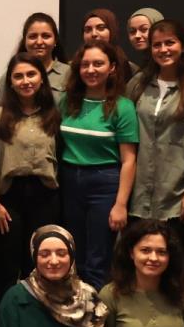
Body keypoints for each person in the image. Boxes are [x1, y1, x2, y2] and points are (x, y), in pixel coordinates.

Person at [125, 18, 184, 249]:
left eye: (170, 42)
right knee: (136, 257)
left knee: (171, 258)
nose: (163, 49)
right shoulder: (137, 85)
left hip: (177, 198)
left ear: (182, 46)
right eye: (157, 45)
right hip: (137, 197)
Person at [57, 42, 138, 288]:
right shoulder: (67, 102)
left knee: (98, 258)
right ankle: (74, 304)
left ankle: (94, 308)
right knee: (74, 252)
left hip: (104, 183)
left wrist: (120, 204)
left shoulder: (123, 107)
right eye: (85, 64)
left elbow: (129, 160)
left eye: (98, 64)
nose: (91, 70)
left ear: (111, 67)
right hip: (69, 180)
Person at [0, 54, 64, 288]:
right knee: (7, 265)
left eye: (31, 74)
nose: (25, 81)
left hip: (45, 196)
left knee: (38, 261)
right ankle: (4, 311)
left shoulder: (54, 115)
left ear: (42, 78)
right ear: (10, 82)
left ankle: (36, 310)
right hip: (8, 199)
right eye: (18, 76)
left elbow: (61, 157)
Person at [0, 13, 72, 107]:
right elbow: (1, 112)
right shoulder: (9, 76)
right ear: (25, 41)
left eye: (46, 36)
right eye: (33, 36)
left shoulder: (70, 74)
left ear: (55, 40)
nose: (39, 42)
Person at [80, 9, 133, 89]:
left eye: (101, 28)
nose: (94, 34)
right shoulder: (74, 65)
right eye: (88, 29)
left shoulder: (126, 66)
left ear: (112, 30)